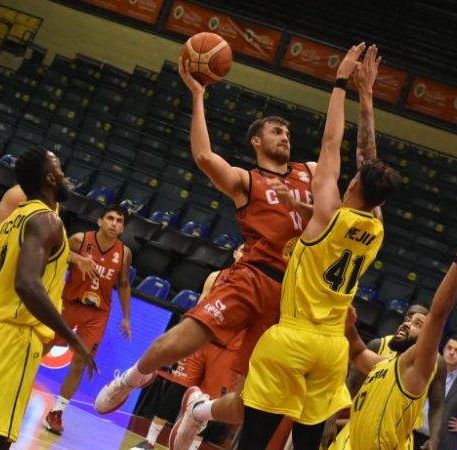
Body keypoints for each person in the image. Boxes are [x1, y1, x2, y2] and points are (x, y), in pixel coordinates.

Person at [169, 43, 398, 450]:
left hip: (292, 335)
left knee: (253, 437)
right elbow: (368, 158)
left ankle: (199, 414)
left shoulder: (326, 216)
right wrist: (369, 96)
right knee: (307, 444)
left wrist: (343, 83)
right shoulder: (375, 230)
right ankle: (201, 414)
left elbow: (333, 143)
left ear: (353, 184)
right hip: (331, 349)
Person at [94, 34, 321, 427]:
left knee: (248, 404)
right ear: (257, 141)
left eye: (287, 132)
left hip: (292, 295)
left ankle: (199, 411)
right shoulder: (246, 181)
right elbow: (202, 155)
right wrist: (198, 95)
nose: (284, 136)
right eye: (275, 131)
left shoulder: (311, 172)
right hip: (251, 279)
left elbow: (336, 213)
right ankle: (134, 377)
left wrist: (302, 206)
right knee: (174, 345)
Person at [0, 147, 97, 449]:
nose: (64, 174)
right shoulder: (47, 222)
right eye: (59, 168)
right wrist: (71, 336)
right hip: (16, 343)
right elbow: (27, 285)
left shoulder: (10, 223)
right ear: (49, 178)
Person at [330, 227, 457, 450]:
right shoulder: (385, 363)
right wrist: (349, 327)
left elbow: (438, 314)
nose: (407, 323)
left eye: (418, 324)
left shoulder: (416, 367)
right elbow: (358, 353)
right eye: (408, 320)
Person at [130, 244, 246, 450]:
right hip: (202, 343)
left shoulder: (252, 288)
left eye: (249, 251)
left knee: (210, 406)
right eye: (242, 250)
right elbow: (198, 310)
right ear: (235, 253)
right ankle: (149, 442)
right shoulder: (216, 277)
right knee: (175, 393)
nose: (245, 254)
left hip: (227, 350)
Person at [43, 204, 133, 435]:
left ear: (122, 228)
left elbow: (123, 284)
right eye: (110, 218)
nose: (114, 223)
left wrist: (126, 317)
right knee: (41, 348)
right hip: (68, 304)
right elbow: (55, 256)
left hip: (97, 314)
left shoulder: (124, 254)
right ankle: (15, 386)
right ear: (100, 221)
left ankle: (57, 412)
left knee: (80, 363)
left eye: (119, 221)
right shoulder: (80, 240)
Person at [325, 303, 446, 450]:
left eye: (418, 323)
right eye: (408, 317)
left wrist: (434, 437)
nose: (407, 323)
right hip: (356, 432)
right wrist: (331, 419)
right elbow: (351, 382)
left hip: (396, 437)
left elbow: (437, 402)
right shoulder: (380, 347)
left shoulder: (434, 362)